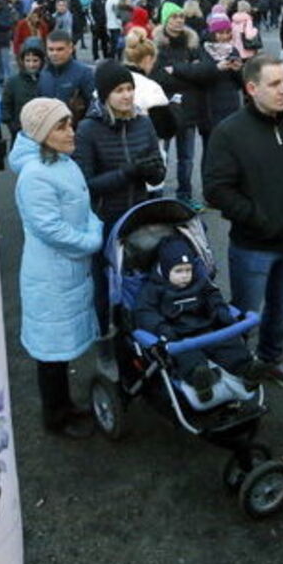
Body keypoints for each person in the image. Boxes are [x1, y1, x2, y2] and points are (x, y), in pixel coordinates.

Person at [202, 54, 283, 384]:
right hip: (254, 246)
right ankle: (237, 367)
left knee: (280, 310)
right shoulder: (229, 133)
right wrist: (258, 218)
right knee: (244, 314)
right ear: (252, 88)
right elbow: (216, 189)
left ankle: (270, 360)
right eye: (275, 84)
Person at [9, 98, 104, 438]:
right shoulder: (35, 176)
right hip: (50, 274)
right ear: (42, 134)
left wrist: (92, 228)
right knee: (50, 351)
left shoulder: (62, 162)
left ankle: (64, 406)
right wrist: (92, 240)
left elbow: (84, 207)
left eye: (69, 122)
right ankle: (56, 417)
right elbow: (50, 229)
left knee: (59, 347)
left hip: (67, 269)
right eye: (61, 126)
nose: (71, 130)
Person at [75, 61, 166, 370]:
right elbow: (86, 185)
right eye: (119, 91)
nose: (127, 96)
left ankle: (138, 340)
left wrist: (155, 171)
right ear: (104, 95)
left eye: (130, 89)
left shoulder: (143, 123)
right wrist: (128, 172)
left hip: (139, 217)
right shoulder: (88, 129)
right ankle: (105, 343)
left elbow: (157, 174)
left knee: (140, 282)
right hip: (104, 220)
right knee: (105, 286)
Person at [133, 235, 260, 401]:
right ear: (165, 270)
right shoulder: (153, 289)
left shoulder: (199, 281)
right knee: (187, 357)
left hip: (207, 328)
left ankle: (247, 368)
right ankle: (200, 379)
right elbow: (145, 313)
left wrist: (220, 311)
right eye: (178, 271)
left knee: (228, 343)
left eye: (188, 270)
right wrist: (162, 329)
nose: (185, 276)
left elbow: (213, 295)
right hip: (178, 336)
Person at [154, 3, 215, 209]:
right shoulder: (157, 45)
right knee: (161, 156)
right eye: (174, 17)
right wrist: (189, 73)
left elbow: (205, 72)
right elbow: (158, 77)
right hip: (164, 109)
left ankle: (185, 194)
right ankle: (156, 194)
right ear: (165, 20)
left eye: (181, 16)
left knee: (187, 158)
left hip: (189, 109)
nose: (179, 20)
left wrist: (177, 70)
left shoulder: (193, 43)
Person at [198, 12, 244, 146]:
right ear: (213, 33)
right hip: (209, 103)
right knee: (210, 146)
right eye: (220, 33)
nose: (224, 36)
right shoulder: (203, 50)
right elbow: (199, 75)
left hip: (230, 102)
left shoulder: (233, 50)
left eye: (227, 32)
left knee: (230, 146)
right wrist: (216, 68)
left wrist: (238, 70)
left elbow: (241, 83)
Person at [38, 30, 95, 124]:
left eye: (60, 49)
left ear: (71, 48)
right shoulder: (44, 74)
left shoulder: (84, 73)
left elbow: (93, 107)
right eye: (51, 49)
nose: (54, 54)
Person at [0, 37, 45, 136]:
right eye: (27, 60)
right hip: (20, 133)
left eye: (35, 60)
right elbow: (5, 106)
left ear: (42, 61)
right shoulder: (13, 82)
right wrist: (13, 126)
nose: (31, 65)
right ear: (22, 61)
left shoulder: (47, 79)